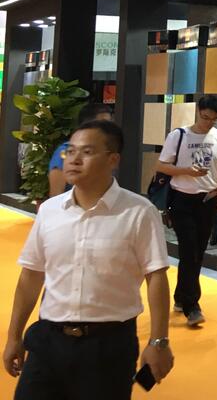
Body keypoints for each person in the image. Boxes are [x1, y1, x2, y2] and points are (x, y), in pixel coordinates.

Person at [3, 120, 174, 398]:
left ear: (113, 160)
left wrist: (159, 341)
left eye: (87, 152)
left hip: (108, 348)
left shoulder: (139, 212)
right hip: (48, 341)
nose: (74, 159)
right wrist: (14, 336)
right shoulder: (49, 211)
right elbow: (31, 275)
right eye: (70, 151)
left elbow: (155, 276)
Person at [155, 94, 217, 326]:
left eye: (214, 119)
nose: (208, 122)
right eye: (205, 117)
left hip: (208, 200)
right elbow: (161, 166)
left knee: (197, 252)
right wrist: (187, 171)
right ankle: (192, 306)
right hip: (181, 199)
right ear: (198, 111)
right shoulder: (179, 135)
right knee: (189, 250)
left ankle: (181, 297)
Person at [48, 103, 113, 197]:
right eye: (104, 124)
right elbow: (56, 195)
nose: (109, 129)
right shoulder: (65, 151)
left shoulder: (108, 152)